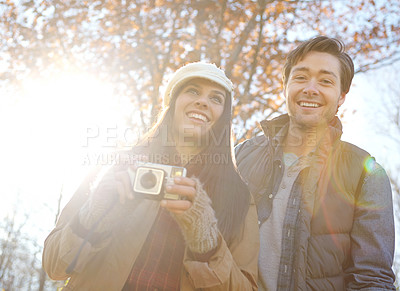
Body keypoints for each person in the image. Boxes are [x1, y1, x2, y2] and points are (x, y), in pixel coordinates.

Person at [42, 62, 259, 290]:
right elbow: (54, 265)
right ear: (173, 102)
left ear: (223, 117)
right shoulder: (118, 165)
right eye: (192, 91)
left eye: (216, 99)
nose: (203, 102)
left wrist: (207, 241)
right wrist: (94, 213)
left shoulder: (240, 197)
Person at [235, 36, 396, 290]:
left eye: (325, 81)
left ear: (341, 96)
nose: (311, 88)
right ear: (285, 85)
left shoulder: (366, 173)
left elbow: (372, 278)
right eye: (300, 77)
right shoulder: (240, 156)